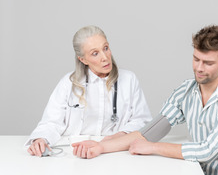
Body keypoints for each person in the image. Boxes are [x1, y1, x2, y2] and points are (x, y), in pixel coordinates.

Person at [72, 25, 218, 175]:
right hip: (197, 171)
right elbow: (148, 132)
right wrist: (100, 147)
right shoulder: (186, 91)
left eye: (208, 63)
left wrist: (153, 147)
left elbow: (207, 151)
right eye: (196, 59)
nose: (199, 68)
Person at [26, 25, 152, 157]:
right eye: (95, 53)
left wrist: (121, 135)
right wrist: (40, 139)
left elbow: (142, 120)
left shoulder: (129, 79)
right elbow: (51, 122)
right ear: (83, 59)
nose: (105, 57)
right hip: (75, 152)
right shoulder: (68, 83)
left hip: (115, 151)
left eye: (106, 48)